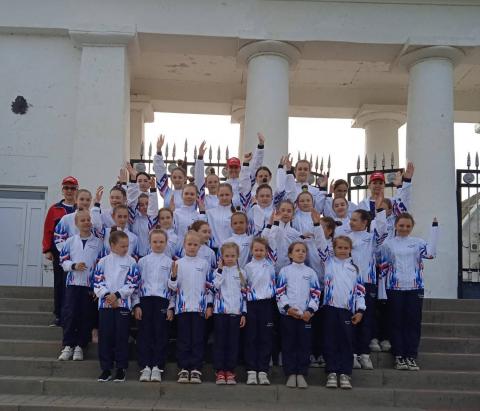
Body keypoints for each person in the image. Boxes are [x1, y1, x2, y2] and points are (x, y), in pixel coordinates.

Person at [377, 213, 438, 371]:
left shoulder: (418, 242)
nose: (404, 228)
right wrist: (382, 292)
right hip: (394, 288)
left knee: (413, 323)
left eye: (408, 226)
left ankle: (411, 356)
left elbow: (431, 254)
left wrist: (434, 229)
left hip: (415, 287)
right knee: (396, 322)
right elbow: (382, 268)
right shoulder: (388, 244)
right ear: (396, 226)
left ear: (412, 227)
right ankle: (399, 356)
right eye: (401, 225)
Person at [312, 218, 366, 389]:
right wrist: (316, 225)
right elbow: (320, 243)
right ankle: (332, 372)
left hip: (347, 311)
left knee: (346, 342)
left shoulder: (355, 269)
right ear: (333, 249)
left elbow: (360, 292)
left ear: (350, 250)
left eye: (345, 248)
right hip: (329, 309)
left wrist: (360, 310)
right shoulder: (328, 262)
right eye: (339, 248)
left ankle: (345, 373)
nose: (342, 251)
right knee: (330, 341)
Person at [93, 230, 140, 382]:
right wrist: (108, 296)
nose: (125, 249)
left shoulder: (132, 262)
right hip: (105, 305)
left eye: (127, 246)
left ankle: (121, 368)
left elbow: (132, 283)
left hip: (123, 305)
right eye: (122, 246)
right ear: (112, 245)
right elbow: (97, 282)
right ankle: (106, 369)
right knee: (106, 337)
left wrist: (117, 295)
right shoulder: (103, 262)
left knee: (121, 337)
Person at [57, 209, 103, 362]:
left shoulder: (98, 243)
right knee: (70, 315)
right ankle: (68, 345)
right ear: (76, 223)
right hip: (72, 284)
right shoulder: (70, 241)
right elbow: (63, 261)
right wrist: (74, 265)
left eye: (88, 220)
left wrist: (98, 287)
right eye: (82, 220)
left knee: (86, 316)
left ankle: (80, 346)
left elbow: (101, 266)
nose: (86, 223)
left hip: (89, 286)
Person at [168, 231, 213, 384]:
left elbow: (209, 288)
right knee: (184, 339)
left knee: (198, 339)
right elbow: (172, 288)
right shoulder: (178, 263)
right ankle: (183, 368)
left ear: (199, 246)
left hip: (199, 309)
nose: (192, 247)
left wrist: (209, 305)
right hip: (183, 309)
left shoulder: (204, 264)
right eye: (189, 244)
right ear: (184, 245)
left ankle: (196, 369)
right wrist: (173, 277)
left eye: (195, 245)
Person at [276, 241, 321, 389]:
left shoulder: (310, 272)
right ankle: (290, 373)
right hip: (288, 315)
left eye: (303, 251)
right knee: (289, 344)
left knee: (304, 345)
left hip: (305, 316)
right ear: (290, 254)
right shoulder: (285, 271)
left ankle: (301, 373)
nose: (300, 253)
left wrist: (310, 311)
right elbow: (280, 292)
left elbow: (316, 293)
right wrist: (288, 308)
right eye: (297, 250)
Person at [132, 229, 174, 382]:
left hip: (162, 301)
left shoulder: (170, 263)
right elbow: (135, 285)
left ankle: (157, 366)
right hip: (145, 301)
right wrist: (136, 304)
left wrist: (171, 307)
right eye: (155, 241)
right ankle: (145, 366)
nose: (158, 244)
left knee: (160, 334)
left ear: (166, 243)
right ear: (149, 243)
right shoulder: (142, 262)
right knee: (145, 334)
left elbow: (174, 287)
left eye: (161, 242)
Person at [43, 176, 78, 327]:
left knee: (74, 285)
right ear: (62, 190)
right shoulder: (54, 209)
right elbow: (48, 229)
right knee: (59, 283)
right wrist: (47, 249)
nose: (69, 191)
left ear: (76, 190)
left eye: (72, 188)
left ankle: (73, 315)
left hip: (77, 252)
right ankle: (59, 315)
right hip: (59, 253)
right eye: (66, 188)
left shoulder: (80, 208)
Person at [211, 242, 247, 385]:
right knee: (220, 342)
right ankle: (220, 371)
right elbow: (214, 287)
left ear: (237, 256)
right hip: (220, 312)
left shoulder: (241, 273)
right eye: (227, 256)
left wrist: (243, 313)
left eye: (233, 256)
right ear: (222, 257)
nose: (230, 258)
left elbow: (245, 294)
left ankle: (230, 371)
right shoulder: (217, 272)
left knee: (233, 343)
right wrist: (220, 270)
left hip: (236, 313)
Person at [244, 237, 276, 385]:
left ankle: (263, 370)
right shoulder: (247, 267)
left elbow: (273, 238)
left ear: (266, 251)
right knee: (251, 337)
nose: (258, 252)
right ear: (251, 251)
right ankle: (251, 370)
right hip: (251, 304)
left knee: (265, 338)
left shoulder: (271, 265)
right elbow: (244, 287)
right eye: (256, 250)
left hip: (267, 305)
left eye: (261, 250)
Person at [54, 188, 95, 252]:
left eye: (88, 200)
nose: (85, 202)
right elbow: (58, 238)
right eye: (81, 199)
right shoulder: (66, 218)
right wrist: (67, 252)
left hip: (91, 253)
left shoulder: (94, 217)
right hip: (72, 255)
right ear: (76, 200)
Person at [154, 135, 187, 209]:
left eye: (180, 177)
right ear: (171, 179)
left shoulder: (190, 193)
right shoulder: (166, 192)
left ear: (185, 178)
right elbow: (159, 172)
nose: (177, 179)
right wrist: (158, 151)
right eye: (174, 177)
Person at [205, 183, 236, 249]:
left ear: (232, 195)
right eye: (221, 195)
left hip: (232, 250)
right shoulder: (209, 213)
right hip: (215, 250)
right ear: (217, 195)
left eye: (227, 195)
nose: (224, 198)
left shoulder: (237, 213)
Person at [195, 140, 220, 210]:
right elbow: (199, 179)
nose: (213, 184)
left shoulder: (225, 198)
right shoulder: (203, 198)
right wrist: (200, 157)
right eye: (210, 182)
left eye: (215, 182)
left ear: (219, 183)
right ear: (205, 184)